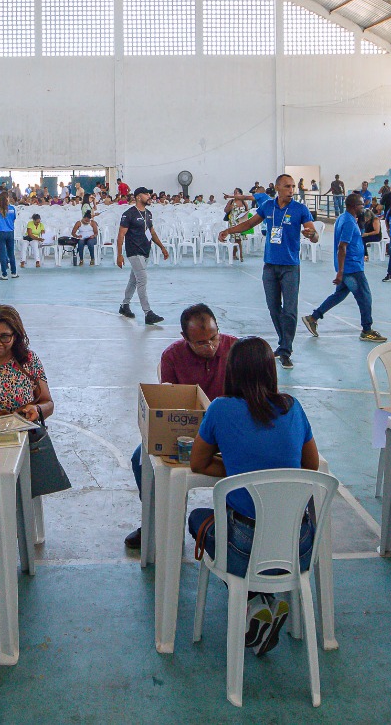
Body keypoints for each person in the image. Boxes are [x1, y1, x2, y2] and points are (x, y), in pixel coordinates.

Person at [186, 336, 319, 655]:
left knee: (197, 518)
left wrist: (237, 467)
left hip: (243, 547)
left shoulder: (220, 409)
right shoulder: (292, 406)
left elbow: (198, 463)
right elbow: (309, 466)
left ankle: (254, 600)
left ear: (231, 372)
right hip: (297, 546)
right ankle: (263, 601)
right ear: (271, 372)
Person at [124, 305, 237, 551]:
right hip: (188, 432)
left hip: (230, 433)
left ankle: (234, 526)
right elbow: (170, 405)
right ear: (185, 338)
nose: (210, 346)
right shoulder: (172, 356)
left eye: (214, 337)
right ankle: (154, 519)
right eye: (200, 343)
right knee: (139, 459)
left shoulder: (235, 350)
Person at [220, 174, 319, 365]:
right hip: (270, 267)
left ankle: (285, 349)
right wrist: (228, 231)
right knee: (274, 308)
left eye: (293, 187)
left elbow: (313, 235)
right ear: (278, 188)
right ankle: (283, 342)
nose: (291, 190)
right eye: (288, 187)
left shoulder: (300, 209)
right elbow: (249, 223)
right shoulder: (268, 207)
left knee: (289, 310)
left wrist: (312, 234)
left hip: (290, 267)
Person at [301, 190, 384, 347]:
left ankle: (313, 318)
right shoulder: (348, 222)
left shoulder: (346, 218)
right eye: (362, 204)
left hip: (349, 265)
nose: (364, 207)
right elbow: (342, 246)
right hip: (351, 268)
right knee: (365, 297)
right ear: (354, 206)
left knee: (339, 295)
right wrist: (340, 272)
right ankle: (367, 330)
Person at [117, 187, 169, 325]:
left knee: (133, 280)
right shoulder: (129, 214)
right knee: (142, 281)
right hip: (134, 252)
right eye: (146, 194)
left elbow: (152, 232)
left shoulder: (148, 214)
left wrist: (162, 247)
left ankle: (124, 305)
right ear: (138, 197)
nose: (149, 196)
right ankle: (148, 313)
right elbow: (121, 235)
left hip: (145, 251)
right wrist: (119, 255)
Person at [0, 189, 18, 280]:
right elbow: (13, 220)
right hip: (10, 232)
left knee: (2, 254)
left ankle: (4, 274)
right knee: (11, 253)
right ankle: (14, 272)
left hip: (0, 233)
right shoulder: (12, 209)